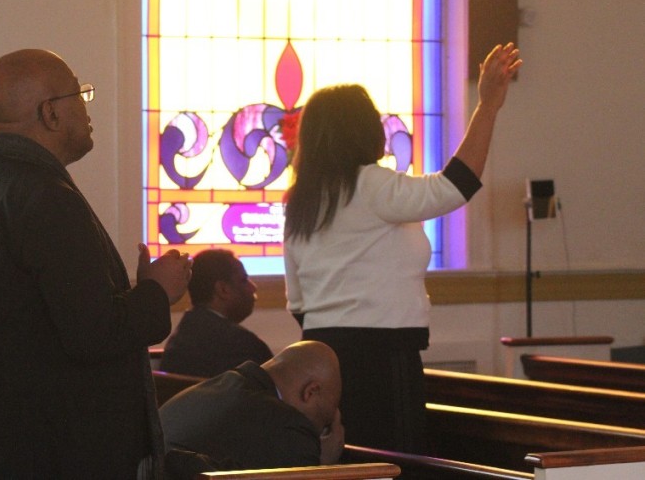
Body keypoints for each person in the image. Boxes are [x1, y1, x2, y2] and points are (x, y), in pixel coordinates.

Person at [0, 48, 191, 479]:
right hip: (55, 455)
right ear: (51, 114)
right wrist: (157, 290)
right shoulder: (46, 199)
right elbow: (94, 334)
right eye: (81, 95)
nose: (87, 107)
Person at [283, 43, 523, 453]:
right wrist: (487, 106)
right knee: (395, 458)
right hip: (380, 355)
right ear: (363, 131)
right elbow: (455, 185)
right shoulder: (371, 184)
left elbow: (298, 301)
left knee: (347, 459)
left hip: (321, 355)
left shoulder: (303, 198)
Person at [160, 340, 344, 476]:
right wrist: (322, 468)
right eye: (325, 424)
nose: (320, 433)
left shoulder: (213, 388)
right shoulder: (290, 428)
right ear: (311, 391)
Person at [160, 248, 273, 377]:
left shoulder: (180, 337)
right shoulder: (242, 346)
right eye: (243, 280)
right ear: (223, 289)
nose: (253, 287)